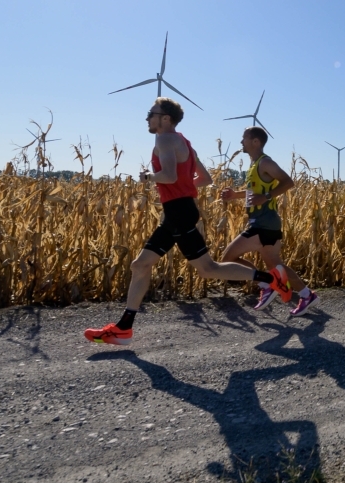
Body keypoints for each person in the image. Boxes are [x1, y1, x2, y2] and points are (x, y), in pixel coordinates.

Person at [84, 98, 282, 345]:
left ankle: (270, 279)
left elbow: (168, 175)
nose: (147, 118)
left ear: (165, 118)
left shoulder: (165, 139)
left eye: (151, 113)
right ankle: (124, 328)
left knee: (208, 269)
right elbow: (205, 178)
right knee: (140, 265)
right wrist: (180, 189)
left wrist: (148, 177)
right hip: (177, 212)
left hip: (179, 213)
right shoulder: (185, 142)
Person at [218, 126, 320, 316]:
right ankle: (307, 295)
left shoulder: (265, 163)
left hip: (264, 223)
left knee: (228, 258)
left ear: (256, 142)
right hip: (265, 222)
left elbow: (288, 182)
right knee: (275, 265)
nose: (241, 142)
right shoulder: (254, 165)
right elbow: (253, 192)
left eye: (244, 138)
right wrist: (235, 195)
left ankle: (267, 284)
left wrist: (265, 197)